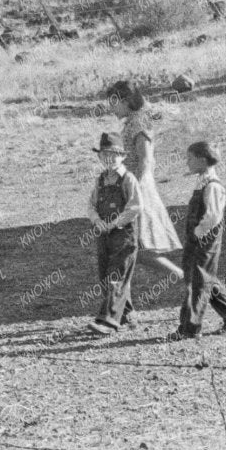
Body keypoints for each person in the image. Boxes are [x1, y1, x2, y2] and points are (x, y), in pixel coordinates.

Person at [112, 79, 184, 315]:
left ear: (124, 100)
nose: (111, 108)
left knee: (137, 250)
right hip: (131, 188)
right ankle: (124, 308)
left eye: (113, 102)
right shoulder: (133, 122)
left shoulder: (139, 122)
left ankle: (188, 280)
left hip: (139, 190)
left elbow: (146, 160)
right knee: (128, 250)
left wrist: (137, 190)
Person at [174, 137, 226, 339]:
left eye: (190, 158)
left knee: (197, 284)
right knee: (207, 281)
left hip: (205, 242)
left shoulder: (213, 186)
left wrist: (197, 233)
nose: (187, 162)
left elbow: (213, 216)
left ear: (203, 160)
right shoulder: (201, 182)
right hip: (195, 240)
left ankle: (189, 327)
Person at [86, 131, 141, 336]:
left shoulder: (128, 179)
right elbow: (91, 205)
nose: (108, 159)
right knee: (105, 276)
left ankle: (108, 322)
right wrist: (97, 221)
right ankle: (128, 315)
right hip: (103, 236)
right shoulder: (100, 180)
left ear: (123, 156)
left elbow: (135, 207)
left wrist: (114, 224)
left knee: (116, 277)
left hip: (124, 235)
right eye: (104, 155)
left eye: (113, 154)